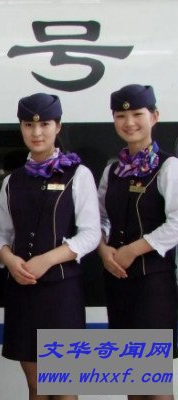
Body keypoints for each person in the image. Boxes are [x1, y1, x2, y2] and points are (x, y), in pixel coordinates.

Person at [0, 93, 100, 400]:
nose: (36, 132)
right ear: (21, 128)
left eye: (45, 125)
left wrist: (48, 259)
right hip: (23, 292)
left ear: (58, 127)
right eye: (28, 125)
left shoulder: (78, 174)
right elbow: (1, 235)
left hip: (61, 293)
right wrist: (10, 260)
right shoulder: (12, 181)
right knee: (36, 387)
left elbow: (90, 234)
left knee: (64, 387)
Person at [97, 84, 177, 400]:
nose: (129, 122)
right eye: (120, 116)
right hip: (119, 283)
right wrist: (103, 249)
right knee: (131, 377)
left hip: (153, 285)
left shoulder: (169, 166)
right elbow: (99, 219)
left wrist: (133, 249)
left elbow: (176, 223)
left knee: (154, 381)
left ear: (154, 116)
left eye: (137, 114)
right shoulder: (112, 171)